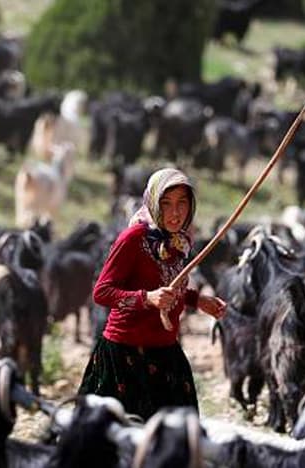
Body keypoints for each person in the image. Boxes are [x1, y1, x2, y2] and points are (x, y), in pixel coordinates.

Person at [78, 168, 226, 419]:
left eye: (182, 203)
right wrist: (146, 298)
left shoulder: (178, 241)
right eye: (166, 204)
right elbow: (101, 292)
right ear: (153, 203)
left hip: (165, 352)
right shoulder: (134, 237)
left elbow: (169, 286)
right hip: (125, 355)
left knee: (175, 443)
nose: (176, 212)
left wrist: (197, 300)